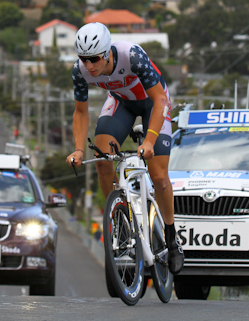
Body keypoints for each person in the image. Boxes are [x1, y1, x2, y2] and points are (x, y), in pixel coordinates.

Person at [67, 22, 184, 274]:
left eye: (94, 59)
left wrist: (150, 140)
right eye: (83, 59)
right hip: (122, 104)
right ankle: (118, 218)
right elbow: (80, 112)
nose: (89, 66)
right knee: (101, 159)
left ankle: (172, 238)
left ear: (107, 52)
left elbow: (159, 100)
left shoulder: (132, 55)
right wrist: (78, 149)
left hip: (153, 104)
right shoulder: (80, 71)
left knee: (160, 176)